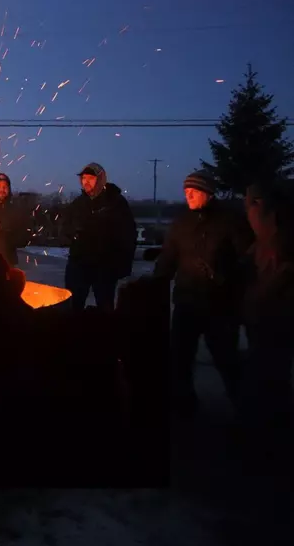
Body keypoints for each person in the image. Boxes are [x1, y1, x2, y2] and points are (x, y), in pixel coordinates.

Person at [152, 170, 253, 415]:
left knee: (226, 358)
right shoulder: (181, 223)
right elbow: (169, 256)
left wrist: (223, 275)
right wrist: (156, 280)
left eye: (194, 191)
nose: (189, 195)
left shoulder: (229, 221)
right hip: (187, 301)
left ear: (208, 193)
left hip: (219, 304)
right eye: (186, 191)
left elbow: (248, 259)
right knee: (180, 358)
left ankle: (247, 409)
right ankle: (184, 406)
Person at [240, 180, 294, 432]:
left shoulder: (281, 243)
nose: (248, 210)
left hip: (274, 321)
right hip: (260, 320)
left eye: (253, 204)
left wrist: (256, 299)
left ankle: (271, 428)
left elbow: (276, 282)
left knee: (271, 374)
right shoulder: (261, 242)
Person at [63, 162, 138, 311]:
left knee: (105, 306)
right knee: (73, 305)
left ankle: (105, 332)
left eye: (90, 178)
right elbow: (66, 227)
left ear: (100, 179)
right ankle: (72, 332)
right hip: (79, 263)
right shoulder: (78, 203)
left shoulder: (115, 202)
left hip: (105, 266)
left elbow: (128, 234)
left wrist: (123, 265)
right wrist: (72, 236)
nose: (86, 182)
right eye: (83, 178)